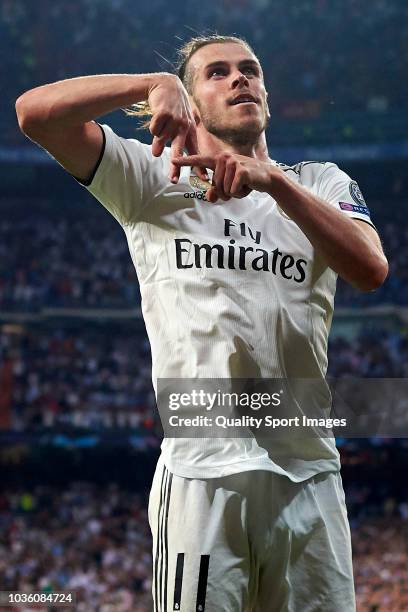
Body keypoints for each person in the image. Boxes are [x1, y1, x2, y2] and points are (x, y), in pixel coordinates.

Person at [16, 34, 388, 612]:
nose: (240, 79)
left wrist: (276, 182)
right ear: (191, 102)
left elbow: (370, 268)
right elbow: (34, 114)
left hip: (311, 471)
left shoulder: (320, 182)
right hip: (203, 472)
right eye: (217, 73)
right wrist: (148, 84)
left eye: (250, 69)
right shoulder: (150, 178)